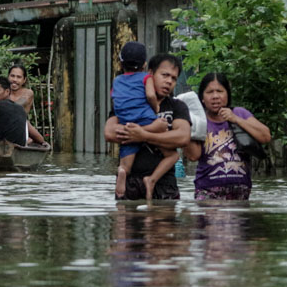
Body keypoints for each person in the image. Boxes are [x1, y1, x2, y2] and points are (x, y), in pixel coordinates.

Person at [104, 53, 191, 201]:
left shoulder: (176, 106)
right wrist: (153, 130)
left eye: (174, 78)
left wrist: (143, 135)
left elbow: (183, 137)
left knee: (165, 221)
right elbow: (110, 133)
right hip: (130, 183)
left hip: (164, 184)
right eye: (165, 75)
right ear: (150, 74)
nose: (169, 81)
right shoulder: (130, 103)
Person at [184, 72, 271, 200]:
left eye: (220, 91)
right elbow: (193, 156)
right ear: (202, 97)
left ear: (227, 95)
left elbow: (265, 136)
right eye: (209, 92)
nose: (215, 96)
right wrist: (188, 126)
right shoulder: (199, 120)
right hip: (208, 191)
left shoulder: (239, 113)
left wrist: (236, 119)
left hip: (241, 191)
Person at [0, 77, 46, 146]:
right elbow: (40, 139)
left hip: (2, 146)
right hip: (20, 147)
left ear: (7, 91)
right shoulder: (20, 109)